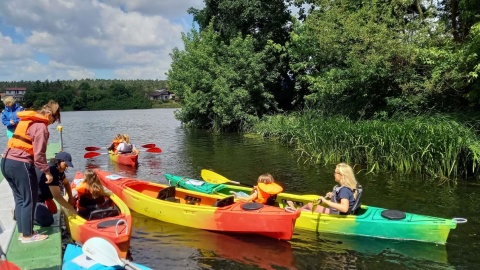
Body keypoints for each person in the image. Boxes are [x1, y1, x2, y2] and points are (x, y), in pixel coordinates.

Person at [1, 100, 60, 243]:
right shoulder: (41, 127)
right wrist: (47, 172)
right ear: (51, 115)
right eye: (56, 118)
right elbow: (39, 155)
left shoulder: (28, 121)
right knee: (29, 199)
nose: (54, 122)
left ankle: (24, 232)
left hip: (6, 162)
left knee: (20, 199)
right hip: (20, 164)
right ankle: (28, 236)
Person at [286, 163, 360, 214]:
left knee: (306, 210)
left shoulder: (344, 190)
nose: (334, 174)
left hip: (336, 216)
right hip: (336, 213)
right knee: (309, 205)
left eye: (335, 173)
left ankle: (294, 211)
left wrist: (325, 201)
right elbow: (344, 199)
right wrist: (333, 196)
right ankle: (296, 210)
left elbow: (344, 208)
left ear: (342, 175)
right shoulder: (346, 188)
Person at [35, 151, 77, 226]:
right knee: (48, 221)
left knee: (53, 211)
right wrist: (71, 208)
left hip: (43, 197)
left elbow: (66, 183)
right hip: (34, 199)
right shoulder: (52, 169)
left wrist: (70, 198)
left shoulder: (59, 169)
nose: (67, 167)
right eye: (66, 164)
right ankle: (23, 216)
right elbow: (57, 196)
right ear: (59, 161)